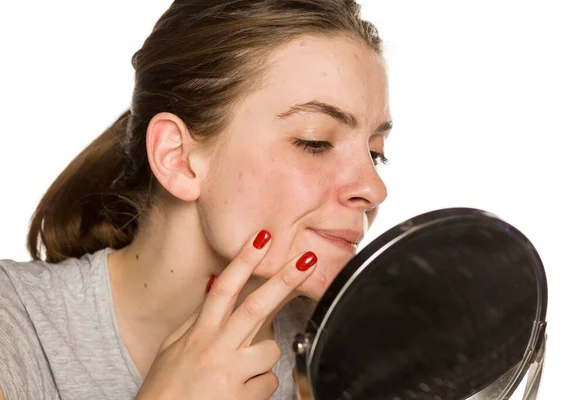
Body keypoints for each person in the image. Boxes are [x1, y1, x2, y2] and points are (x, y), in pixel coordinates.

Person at [0, 0, 392, 398]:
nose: (374, 188)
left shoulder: (363, 354)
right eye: (315, 142)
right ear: (179, 159)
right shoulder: (15, 325)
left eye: (375, 152)